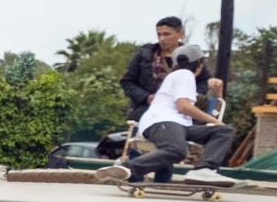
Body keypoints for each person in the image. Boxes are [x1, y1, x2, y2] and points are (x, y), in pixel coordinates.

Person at [97, 43, 236, 187]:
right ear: (199, 64)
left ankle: (205, 169)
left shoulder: (177, 79)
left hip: (180, 126)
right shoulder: (184, 74)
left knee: (224, 132)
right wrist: (215, 121)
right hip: (163, 121)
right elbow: (183, 106)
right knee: (176, 150)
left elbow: (208, 104)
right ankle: (127, 167)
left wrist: (217, 92)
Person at [120, 16, 223, 122]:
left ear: (180, 34)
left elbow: (203, 81)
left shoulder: (192, 56)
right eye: (159, 34)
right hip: (147, 110)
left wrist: (190, 96)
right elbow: (127, 82)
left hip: (182, 111)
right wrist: (147, 97)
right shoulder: (144, 54)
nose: (162, 39)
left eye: (167, 34)